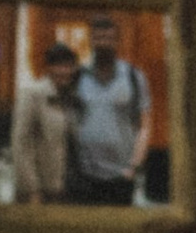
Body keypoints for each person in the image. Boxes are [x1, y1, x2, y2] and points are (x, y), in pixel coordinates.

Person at [66, 14, 150, 207]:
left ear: (117, 41)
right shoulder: (78, 76)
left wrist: (133, 167)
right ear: (91, 40)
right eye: (98, 38)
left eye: (108, 38)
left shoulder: (134, 77)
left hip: (120, 178)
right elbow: (68, 120)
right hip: (84, 177)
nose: (103, 43)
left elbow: (145, 125)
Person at [12, 34, 83, 202]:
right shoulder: (32, 94)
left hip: (65, 188)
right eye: (58, 66)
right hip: (40, 191)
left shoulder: (71, 98)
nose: (64, 71)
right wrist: (31, 189)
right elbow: (20, 145)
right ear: (49, 68)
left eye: (68, 66)